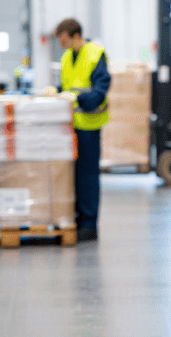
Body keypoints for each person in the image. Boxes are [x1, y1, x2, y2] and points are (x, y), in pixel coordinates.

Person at [55, 18, 111, 242]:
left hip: (88, 124)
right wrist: (56, 92)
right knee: (73, 175)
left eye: (64, 39)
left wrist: (79, 98)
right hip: (70, 126)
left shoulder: (95, 54)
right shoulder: (67, 56)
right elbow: (68, 86)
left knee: (87, 175)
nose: (61, 44)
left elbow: (101, 88)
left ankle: (89, 224)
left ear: (75, 35)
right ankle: (76, 219)